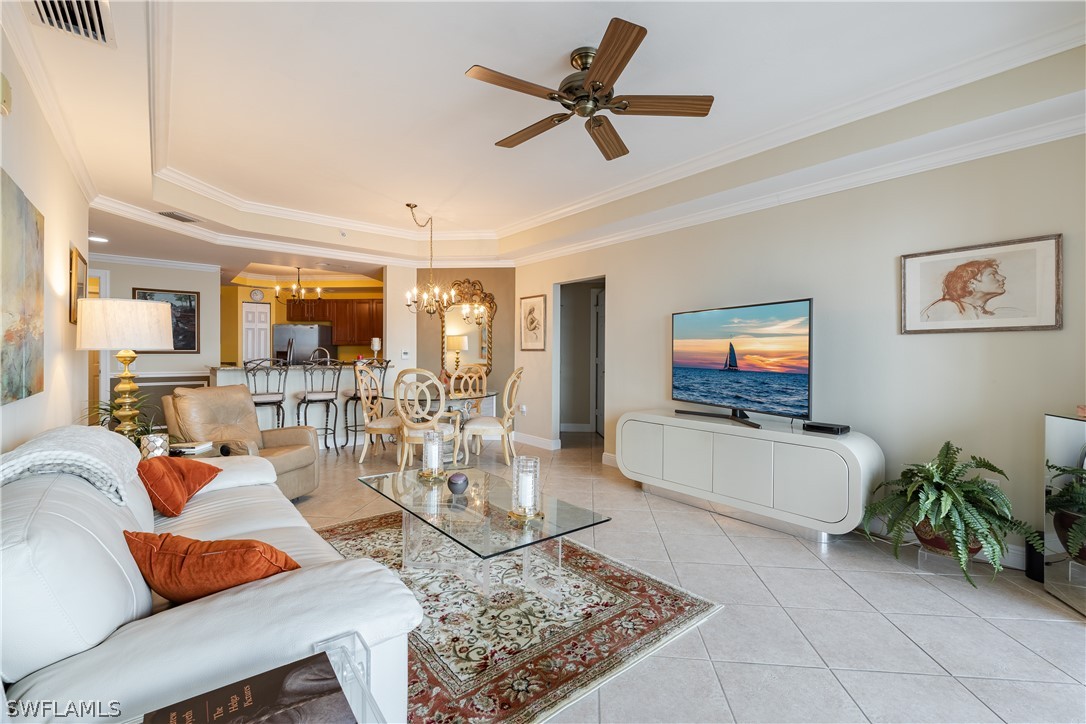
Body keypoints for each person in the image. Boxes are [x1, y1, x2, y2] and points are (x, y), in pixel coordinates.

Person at [921, 258, 1010, 321]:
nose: (1003, 277)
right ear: (971, 283)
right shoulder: (947, 308)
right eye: (993, 274)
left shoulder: (990, 314)